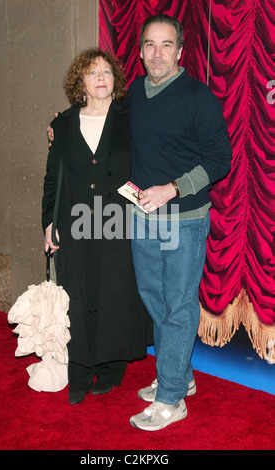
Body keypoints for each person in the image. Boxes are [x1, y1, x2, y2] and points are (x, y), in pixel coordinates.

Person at [124, 14, 232, 431]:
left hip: (184, 221)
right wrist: (59, 125)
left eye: (166, 45)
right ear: (140, 52)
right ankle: (180, 376)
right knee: (155, 300)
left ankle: (171, 398)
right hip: (140, 218)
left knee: (179, 306)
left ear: (180, 51)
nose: (157, 53)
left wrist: (172, 188)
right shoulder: (135, 91)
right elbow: (106, 121)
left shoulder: (197, 96)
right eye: (149, 44)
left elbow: (220, 160)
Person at [42, 48, 152, 405]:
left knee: (113, 296)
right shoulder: (62, 124)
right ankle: (79, 371)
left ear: (115, 79)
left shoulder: (130, 119)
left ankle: (109, 369)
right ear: (81, 83)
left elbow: (145, 167)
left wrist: (141, 206)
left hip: (118, 223)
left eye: (107, 71)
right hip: (73, 225)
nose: (101, 77)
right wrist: (48, 223)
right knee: (77, 295)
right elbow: (52, 178)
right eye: (92, 73)